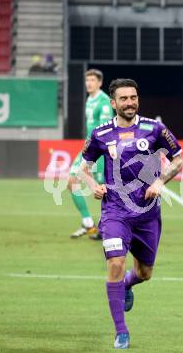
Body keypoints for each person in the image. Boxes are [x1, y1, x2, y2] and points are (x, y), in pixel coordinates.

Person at [79, 78, 183, 349]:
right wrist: (94, 187)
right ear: (113, 103)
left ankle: (128, 284)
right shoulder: (100, 134)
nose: (130, 103)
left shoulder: (155, 128)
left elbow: (179, 159)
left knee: (145, 272)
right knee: (115, 263)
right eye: (124, 99)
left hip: (147, 214)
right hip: (115, 211)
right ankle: (121, 331)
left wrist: (160, 182)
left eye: (133, 97)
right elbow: (84, 168)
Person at [68, 69, 113, 239]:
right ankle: (88, 223)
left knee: (104, 188)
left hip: (100, 150)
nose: (89, 83)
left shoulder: (103, 102)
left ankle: (109, 226)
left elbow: (103, 129)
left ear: (99, 83)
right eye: (87, 80)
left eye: (92, 80)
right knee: (72, 181)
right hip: (88, 149)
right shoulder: (90, 99)